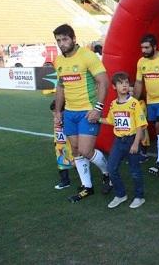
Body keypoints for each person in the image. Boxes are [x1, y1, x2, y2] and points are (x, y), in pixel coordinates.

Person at [53, 24, 112, 203]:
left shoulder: (87, 56)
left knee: (86, 150)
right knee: (77, 151)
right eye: (58, 41)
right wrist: (58, 111)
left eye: (65, 39)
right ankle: (87, 187)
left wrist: (98, 108)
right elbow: (60, 87)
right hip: (70, 113)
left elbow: (104, 82)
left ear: (73, 39)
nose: (62, 44)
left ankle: (107, 172)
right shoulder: (59, 61)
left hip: (88, 111)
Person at [100, 72, 148, 209]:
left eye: (127, 82)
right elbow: (110, 120)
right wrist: (96, 119)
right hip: (118, 141)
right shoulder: (114, 104)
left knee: (135, 171)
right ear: (114, 87)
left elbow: (140, 124)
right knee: (111, 168)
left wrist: (135, 143)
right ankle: (121, 195)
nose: (125, 85)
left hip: (131, 140)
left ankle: (139, 197)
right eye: (121, 83)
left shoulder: (134, 103)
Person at [133, 34, 159, 175]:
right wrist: (134, 102)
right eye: (142, 47)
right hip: (151, 101)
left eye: (147, 47)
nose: (143, 50)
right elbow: (138, 82)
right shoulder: (141, 62)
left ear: (155, 47)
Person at [50, 100, 74, 190]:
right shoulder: (56, 120)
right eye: (53, 112)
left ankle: (85, 182)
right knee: (61, 164)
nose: (54, 115)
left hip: (70, 146)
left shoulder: (68, 120)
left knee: (76, 162)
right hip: (60, 146)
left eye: (55, 112)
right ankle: (65, 181)